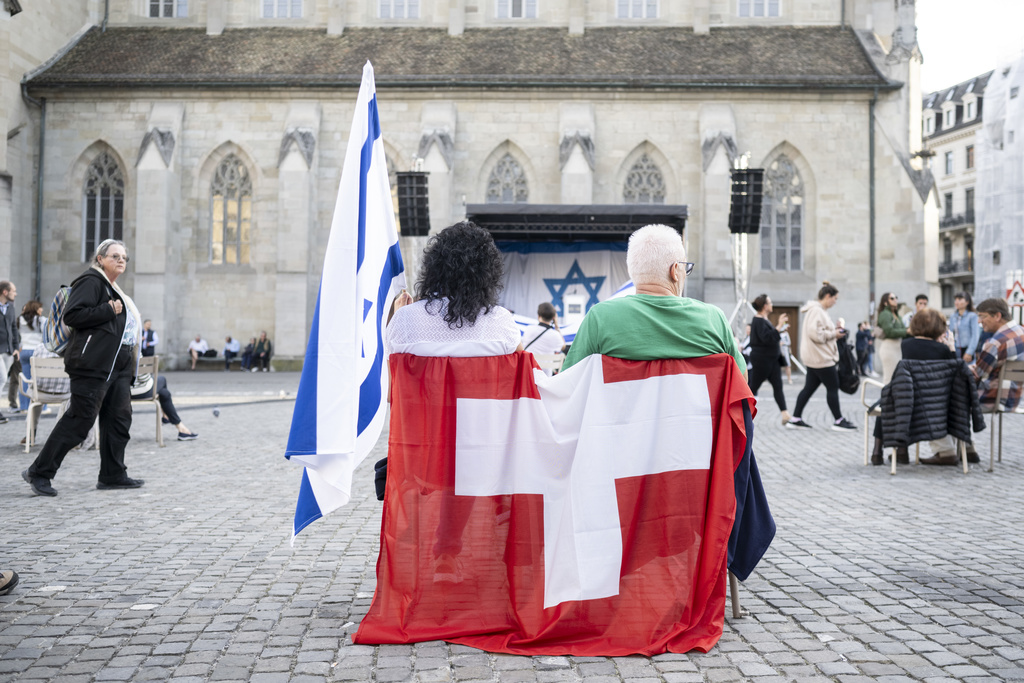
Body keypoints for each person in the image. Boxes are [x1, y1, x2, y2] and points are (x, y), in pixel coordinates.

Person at [387, 221, 522, 583]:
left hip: (419, 448)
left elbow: (392, 385)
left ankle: (418, 551)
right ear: (488, 272)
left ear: (434, 268)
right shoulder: (502, 324)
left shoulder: (405, 322)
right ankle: (447, 552)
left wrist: (397, 314)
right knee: (466, 456)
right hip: (480, 451)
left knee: (448, 454)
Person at [22, 239, 143, 497]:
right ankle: (39, 472)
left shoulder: (113, 287)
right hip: (93, 364)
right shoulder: (91, 281)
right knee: (80, 420)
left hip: (119, 364)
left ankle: (112, 475)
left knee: (119, 420)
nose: (121, 260)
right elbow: (73, 315)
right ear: (100, 259)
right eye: (115, 256)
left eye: (124, 257)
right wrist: (108, 309)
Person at [563, 224, 745, 378]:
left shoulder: (600, 318)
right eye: (685, 268)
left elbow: (569, 382)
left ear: (633, 272)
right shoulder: (713, 320)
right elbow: (740, 383)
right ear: (675, 270)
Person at [870, 308, 967, 466]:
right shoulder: (942, 349)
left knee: (888, 400)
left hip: (910, 401)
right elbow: (953, 371)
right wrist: (950, 348)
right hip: (936, 402)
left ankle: (883, 451)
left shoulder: (906, 345)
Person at [786, 282, 856, 431]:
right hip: (821, 358)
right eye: (835, 298)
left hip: (816, 358)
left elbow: (819, 332)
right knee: (833, 387)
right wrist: (834, 334)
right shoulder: (817, 311)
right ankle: (838, 420)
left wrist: (834, 331)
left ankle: (795, 418)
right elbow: (816, 334)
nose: (835, 302)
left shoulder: (818, 311)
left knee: (809, 389)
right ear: (828, 296)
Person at [973, 298, 1024, 411]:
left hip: (993, 400)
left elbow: (977, 375)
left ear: (997, 316)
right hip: (1017, 400)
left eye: (982, 316)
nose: (979, 321)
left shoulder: (996, 343)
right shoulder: (1021, 332)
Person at [747, 294, 790, 425]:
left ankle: (785, 414)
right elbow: (766, 338)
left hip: (772, 360)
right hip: (762, 361)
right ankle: (740, 410)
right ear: (765, 306)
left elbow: (769, 337)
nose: (772, 305)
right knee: (753, 387)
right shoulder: (758, 320)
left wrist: (780, 330)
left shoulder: (764, 320)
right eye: (770, 303)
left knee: (778, 387)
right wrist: (779, 326)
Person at [130, 373, 198, 441]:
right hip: (138, 390)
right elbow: (143, 378)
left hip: (131, 389)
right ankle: (167, 417)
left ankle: (180, 427)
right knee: (162, 379)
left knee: (164, 393)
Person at [15, 300, 46, 413]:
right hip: (37, 352)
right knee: (39, 379)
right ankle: (42, 407)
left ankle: (24, 407)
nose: (42, 309)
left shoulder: (20, 319)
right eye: (40, 308)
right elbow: (45, 336)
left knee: (25, 379)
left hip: (24, 351)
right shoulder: (41, 320)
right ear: (35, 308)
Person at [876, 291, 907, 385]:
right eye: (892, 298)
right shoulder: (885, 314)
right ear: (885, 302)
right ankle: (886, 395)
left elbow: (902, 330)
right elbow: (889, 331)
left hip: (897, 348)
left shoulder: (896, 315)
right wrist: (907, 331)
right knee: (889, 378)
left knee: (896, 377)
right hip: (889, 348)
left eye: (896, 297)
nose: (895, 300)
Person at [0, 280, 20, 425]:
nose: (15, 294)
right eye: (13, 291)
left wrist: (16, 347)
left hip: (8, 351)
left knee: (2, 380)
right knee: (1, 378)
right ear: (5, 292)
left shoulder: (11, 307)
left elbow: (14, 328)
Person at [949, 291, 980, 363]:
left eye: (959, 299)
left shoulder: (972, 316)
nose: (956, 302)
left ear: (967, 302)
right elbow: (950, 333)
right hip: (955, 349)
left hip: (967, 349)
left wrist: (969, 352)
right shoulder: (953, 316)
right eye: (955, 299)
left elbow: (975, 336)